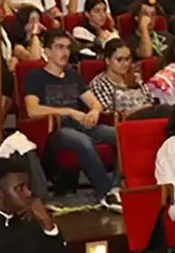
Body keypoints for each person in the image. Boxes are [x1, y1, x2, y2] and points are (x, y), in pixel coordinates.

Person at [23, 29, 121, 210]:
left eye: (67, 48)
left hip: (81, 123)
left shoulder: (73, 75)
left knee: (121, 136)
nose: (65, 53)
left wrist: (94, 112)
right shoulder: (36, 77)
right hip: (55, 129)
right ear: (47, 51)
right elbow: (32, 110)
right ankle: (105, 192)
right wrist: (67, 111)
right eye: (59, 47)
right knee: (83, 142)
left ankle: (116, 188)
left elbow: (95, 103)